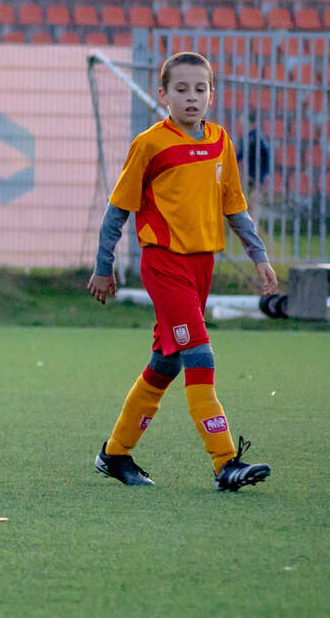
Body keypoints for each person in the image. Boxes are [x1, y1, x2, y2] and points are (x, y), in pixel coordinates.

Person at [86, 51, 279, 492]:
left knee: (166, 362)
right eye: (181, 89)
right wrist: (103, 266)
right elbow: (118, 210)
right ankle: (225, 463)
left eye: (200, 88)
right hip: (164, 263)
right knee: (200, 357)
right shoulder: (150, 144)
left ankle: (115, 454)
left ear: (212, 94)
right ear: (163, 95)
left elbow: (235, 207)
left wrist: (260, 256)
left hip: (201, 265)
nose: (191, 97)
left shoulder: (220, 141)